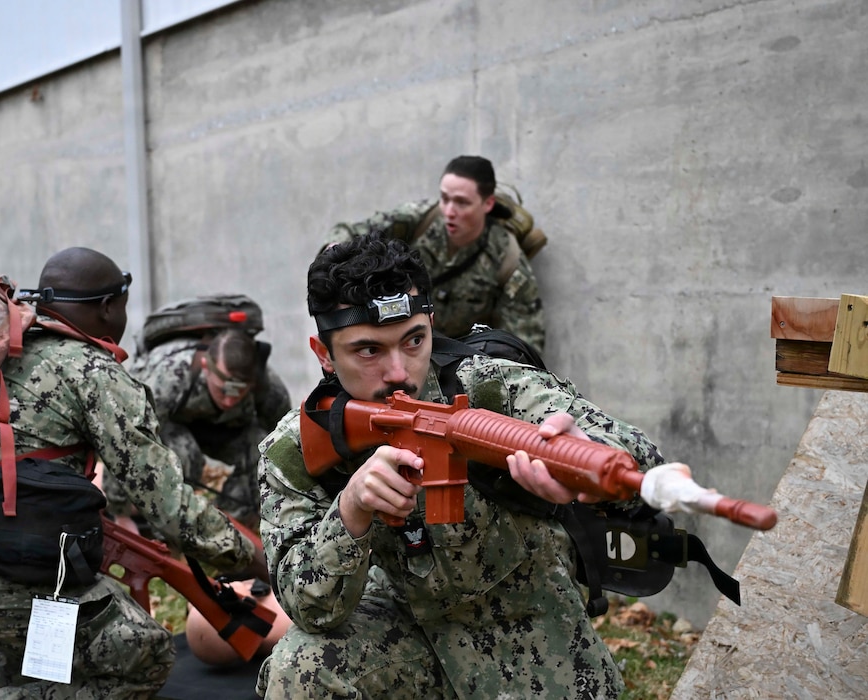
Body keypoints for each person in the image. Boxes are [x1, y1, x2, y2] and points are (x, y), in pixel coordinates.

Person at [256, 234, 666, 699]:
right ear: (323, 353)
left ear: (431, 324)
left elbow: (639, 455)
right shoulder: (297, 446)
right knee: (301, 667)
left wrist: (588, 458)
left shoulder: (490, 387)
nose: (399, 371)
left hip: (531, 636)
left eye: (414, 340)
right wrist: (351, 509)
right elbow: (310, 609)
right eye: (369, 351)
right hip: (406, 641)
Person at [0, 247, 267, 699]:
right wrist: (256, 557)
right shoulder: (91, 370)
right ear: (110, 306)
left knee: (49, 632)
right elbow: (170, 506)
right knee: (143, 653)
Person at [323, 154, 547, 354]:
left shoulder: (507, 260)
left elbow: (523, 346)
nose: (449, 212)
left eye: (461, 203)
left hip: (459, 360)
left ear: (487, 204)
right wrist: (335, 252)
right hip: (395, 341)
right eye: (445, 198)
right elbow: (351, 232)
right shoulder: (421, 218)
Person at [105, 324, 292, 530]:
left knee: (261, 448)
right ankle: (170, 529)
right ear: (206, 366)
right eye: (223, 390)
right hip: (172, 426)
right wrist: (119, 512)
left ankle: (232, 529)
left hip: (226, 430)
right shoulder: (170, 376)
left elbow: (286, 439)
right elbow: (125, 436)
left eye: (238, 392)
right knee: (186, 456)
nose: (229, 401)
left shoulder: (266, 384)